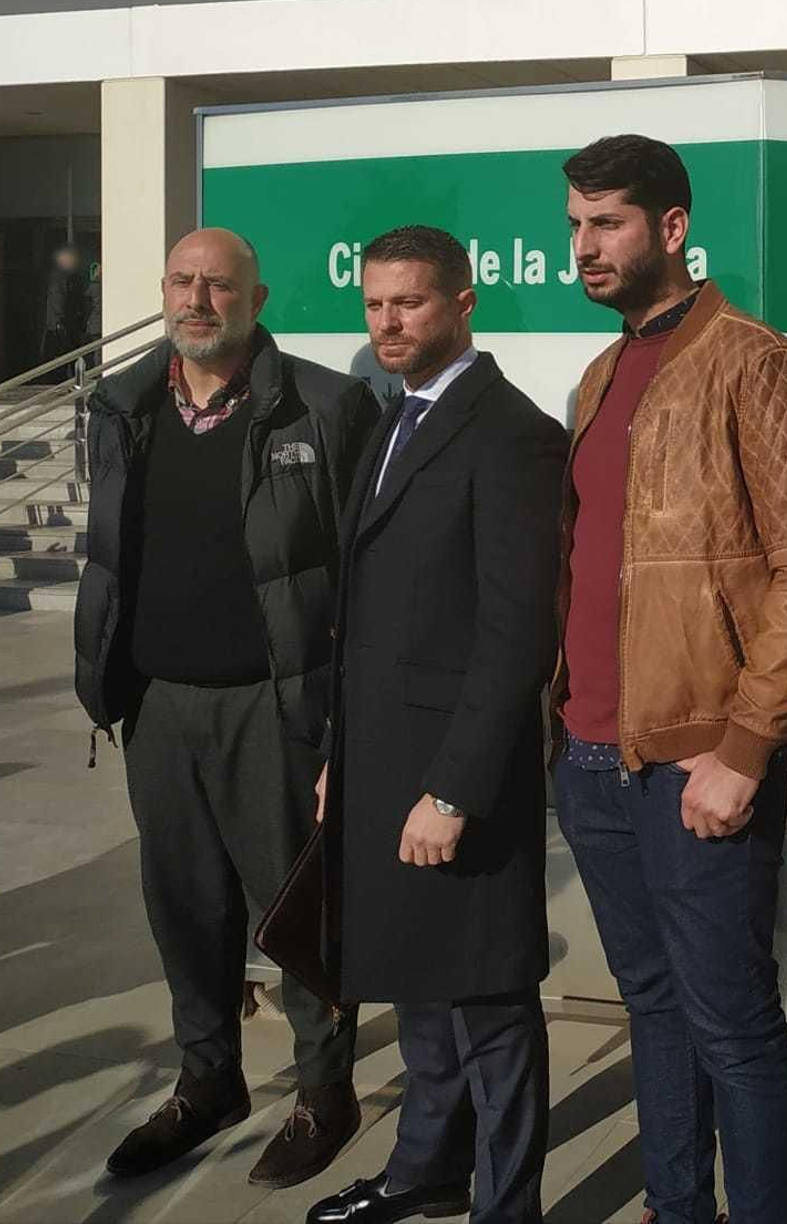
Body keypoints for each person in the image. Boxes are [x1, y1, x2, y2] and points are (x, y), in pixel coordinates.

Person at [551, 134, 787, 1224]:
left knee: (730, 1022)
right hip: (589, 752)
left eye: (609, 223)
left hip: (694, 760)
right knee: (652, 1007)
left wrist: (741, 750)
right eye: (577, 223)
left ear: (671, 228)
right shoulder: (599, 370)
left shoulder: (756, 360)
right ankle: (678, 1208)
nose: (584, 246)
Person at [73, 228, 380, 1187]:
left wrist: (346, 718)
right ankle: (208, 1081)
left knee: (297, 914)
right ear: (162, 289)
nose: (197, 299)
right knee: (185, 910)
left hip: (274, 706)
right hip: (156, 705)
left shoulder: (327, 405)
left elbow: (367, 573)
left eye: (218, 285)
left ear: (257, 298)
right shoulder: (121, 405)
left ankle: (325, 1094)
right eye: (182, 281)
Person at [306, 225, 567, 1224]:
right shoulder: (392, 415)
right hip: (382, 764)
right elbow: (367, 619)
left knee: (489, 1002)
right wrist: (341, 757)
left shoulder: (509, 433)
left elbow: (513, 634)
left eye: (409, 302)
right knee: (417, 988)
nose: (387, 322)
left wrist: (454, 787)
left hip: (462, 775)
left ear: (464, 302)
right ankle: (422, 1170)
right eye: (375, 304)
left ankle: (508, 1207)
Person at [42, 243, 89, 377]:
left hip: (63, 322)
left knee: (65, 356)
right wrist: (58, 319)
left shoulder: (65, 277)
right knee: (64, 354)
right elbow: (57, 300)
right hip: (62, 323)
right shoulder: (60, 277)